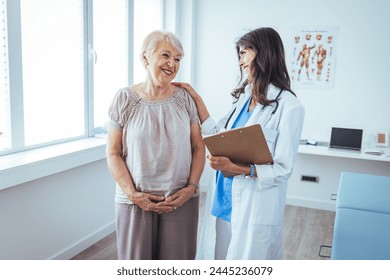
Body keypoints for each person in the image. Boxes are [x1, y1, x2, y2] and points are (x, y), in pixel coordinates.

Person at [173, 27, 305, 260]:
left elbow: (283, 169)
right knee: (220, 257)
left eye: (244, 53)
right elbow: (218, 135)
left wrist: (240, 170)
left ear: (264, 54)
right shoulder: (243, 99)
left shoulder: (289, 106)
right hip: (225, 197)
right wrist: (196, 98)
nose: (241, 62)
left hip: (254, 203)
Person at [106, 30, 205, 260]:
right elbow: (113, 153)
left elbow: (199, 148)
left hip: (180, 199)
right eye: (166, 55)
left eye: (178, 59)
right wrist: (132, 194)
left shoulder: (185, 99)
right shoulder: (124, 99)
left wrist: (191, 188)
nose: (172, 64)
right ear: (145, 58)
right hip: (135, 201)